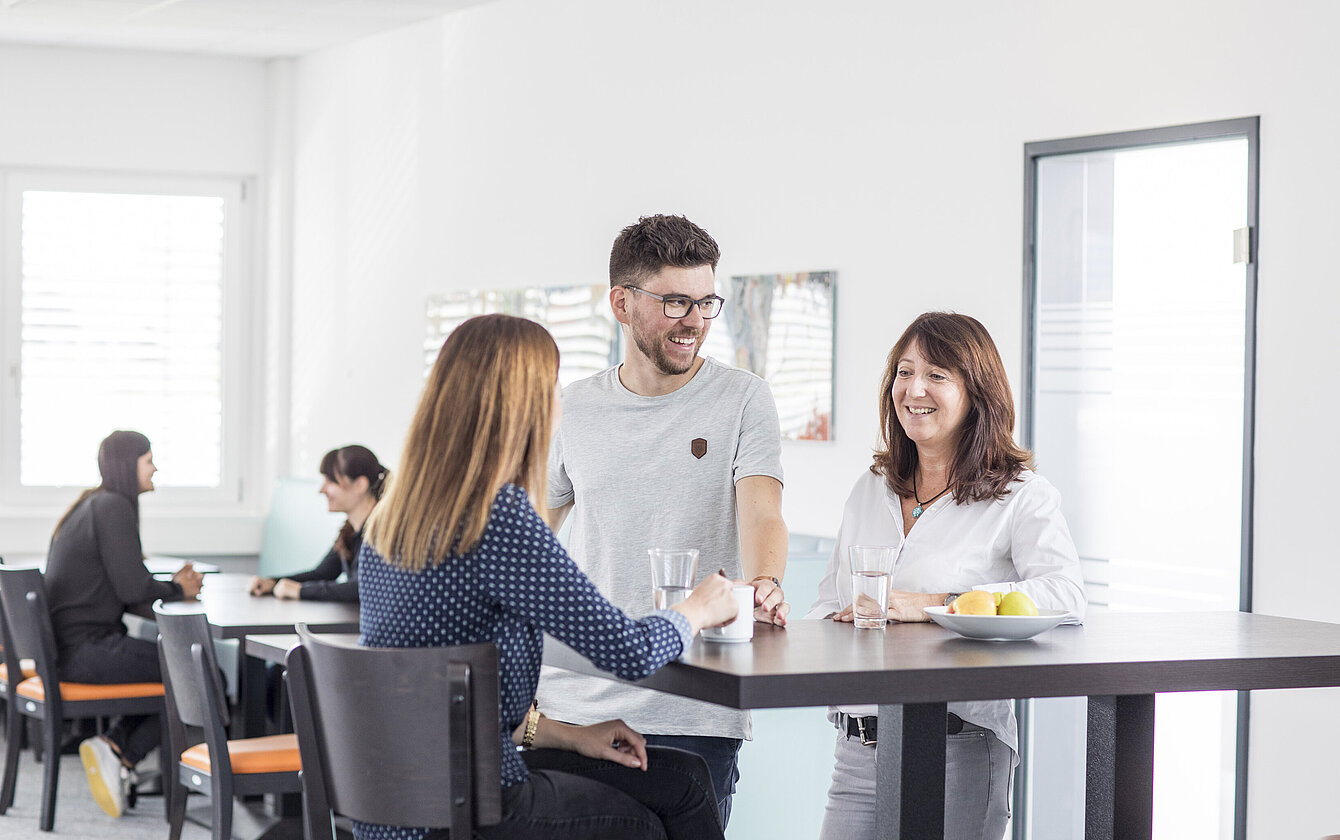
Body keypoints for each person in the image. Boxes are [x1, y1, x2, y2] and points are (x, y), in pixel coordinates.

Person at [358, 313, 740, 840]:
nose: (560, 402)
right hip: (475, 803)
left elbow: (448, 702)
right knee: (649, 820)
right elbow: (628, 651)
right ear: (524, 406)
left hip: (399, 805)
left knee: (686, 778)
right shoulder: (498, 519)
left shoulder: (389, 523)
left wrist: (570, 735)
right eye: (552, 386)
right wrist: (697, 609)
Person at [540, 213, 789, 826]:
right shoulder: (572, 408)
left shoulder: (744, 398)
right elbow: (533, 532)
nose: (695, 321)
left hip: (693, 711)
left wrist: (765, 582)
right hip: (577, 707)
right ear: (621, 304)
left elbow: (763, 511)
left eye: (706, 303)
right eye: (676, 302)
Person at [805, 312, 1087, 840]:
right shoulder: (871, 487)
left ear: (977, 391)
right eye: (904, 372)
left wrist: (939, 603)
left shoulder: (1020, 494)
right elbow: (829, 603)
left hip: (958, 748)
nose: (914, 390)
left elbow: (1065, 595)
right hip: (857, 749)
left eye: (936, 374)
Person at [42, 429, 204, 819]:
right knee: (199, 675)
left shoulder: (91, 504)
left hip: (73, 650)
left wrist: (168, 587)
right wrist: (179, 588)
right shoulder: (113, 506)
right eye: (149, 460)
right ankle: (120, 752)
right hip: (87, 651)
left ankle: (115, 748)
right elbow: (132, 588)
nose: (155, 468)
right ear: (128, 465)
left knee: (181, 672)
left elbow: (127, 584)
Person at [249, 445, 388, 602]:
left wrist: (301, 591)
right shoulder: (348, 532)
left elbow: (361, 588)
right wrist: (273, 582)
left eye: (331, 481)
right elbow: (323, 573)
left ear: (360, 485)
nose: (322, 489)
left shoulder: (384, 533)